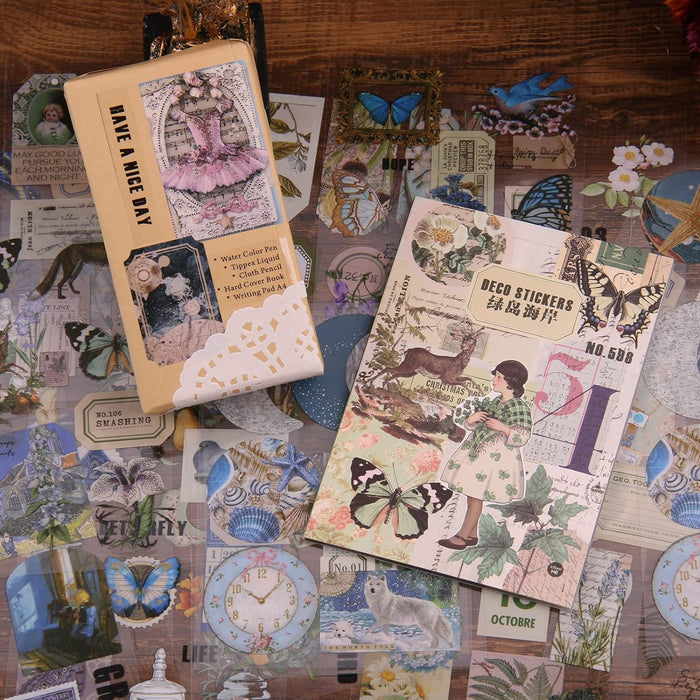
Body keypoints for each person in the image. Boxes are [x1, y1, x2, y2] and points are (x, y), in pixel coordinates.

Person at [437, 359, 532, 550]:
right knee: (473, 495)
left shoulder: (519, 407)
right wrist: (471, 420)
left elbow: (523, 437)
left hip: (495, 458)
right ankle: (472, 534)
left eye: (499, 377)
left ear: (511, 382)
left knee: (475, 496)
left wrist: (504, 428)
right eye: (495, 376)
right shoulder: (493, 402)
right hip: (477, 453)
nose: (494, 380)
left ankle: (462, 536)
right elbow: (474, 426)